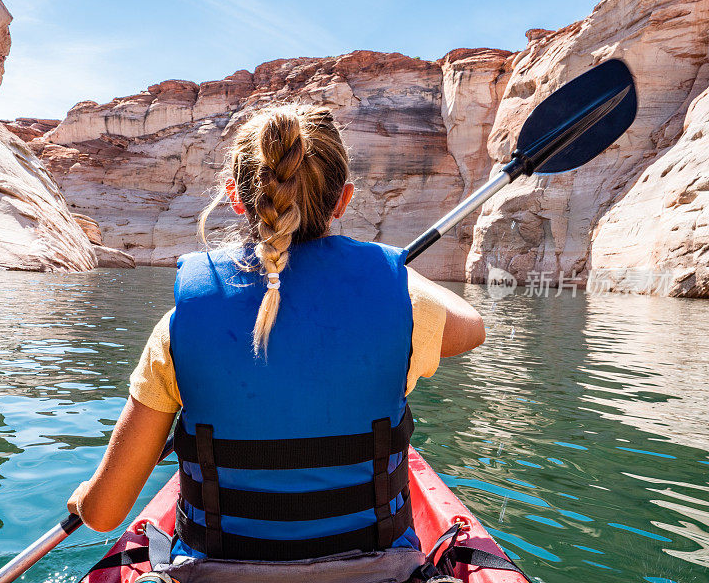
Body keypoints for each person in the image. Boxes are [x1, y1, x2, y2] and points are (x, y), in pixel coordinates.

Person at [67, 103, 485, 570]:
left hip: (216, 572)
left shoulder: (176, 330)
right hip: (376, 569)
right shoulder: (406, 311)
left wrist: (84, 498)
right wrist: (389, 272)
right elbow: (473, 327)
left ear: (236, 198)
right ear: (342, 201)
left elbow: (104, 515)